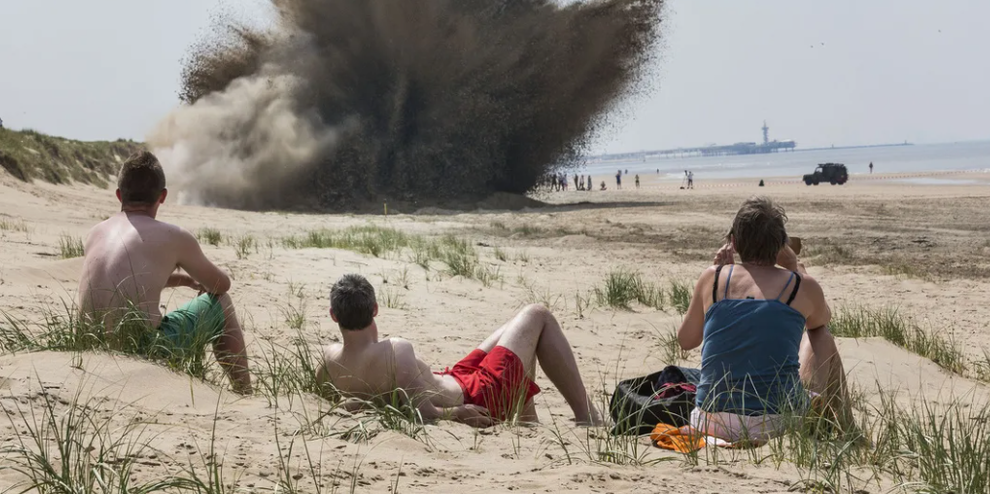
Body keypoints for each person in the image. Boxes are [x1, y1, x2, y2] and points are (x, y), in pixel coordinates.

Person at [319, 274, 603, 426]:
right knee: (537, 314)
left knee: (516, 327)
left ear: (334, 315)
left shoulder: (329, 361)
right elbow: (426, 411)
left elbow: (341, 401)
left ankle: (528, 422)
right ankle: (587, 417)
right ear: (376, 309)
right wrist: (458, 413)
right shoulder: (396, 350)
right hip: (476, 395)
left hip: (457, 376)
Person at [676, 197, 849, 442]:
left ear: (733, 243)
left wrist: (717, 277)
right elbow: (821, 319)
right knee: (821, 335)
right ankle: (848, 426)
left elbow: (686, 340)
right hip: (773, 422)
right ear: (781, 244)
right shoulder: (800, 284)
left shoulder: (712, 279)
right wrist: (794, 268)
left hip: (709, 420)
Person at [78, 151, 251, 392]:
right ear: (163, 196)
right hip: (143, 352)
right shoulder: (174, 236)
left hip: (88, 348)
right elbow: (221, 285)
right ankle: (244, 392)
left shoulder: (96, 232)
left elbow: (126, 281)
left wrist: (180, 280)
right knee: (222, 303)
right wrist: (195, 273)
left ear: (119, 194)